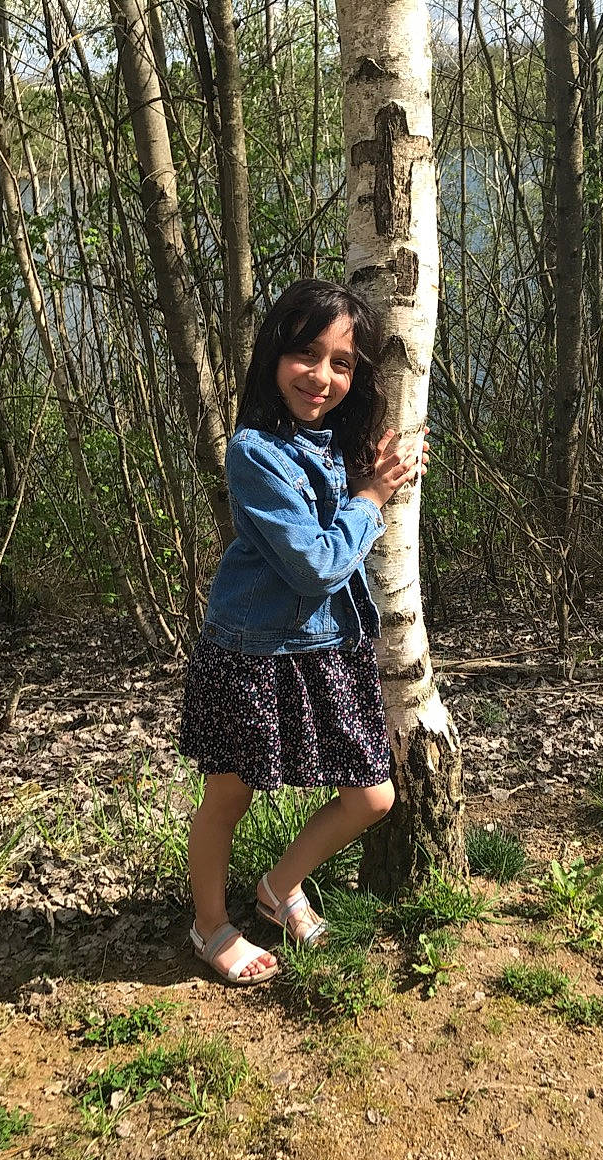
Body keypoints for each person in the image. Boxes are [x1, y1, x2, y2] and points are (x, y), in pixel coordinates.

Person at [179, 279, 428, 984]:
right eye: (306, 355)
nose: (321, 376)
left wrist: (377, 472)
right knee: (229, 797)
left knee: (372, 797)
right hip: (251, 653)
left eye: (342, 363)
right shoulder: (254, 452)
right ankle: (209, 926)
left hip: (328, 650)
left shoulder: (339, 444)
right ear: (273, 357)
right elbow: (316, 565)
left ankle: (277, 885)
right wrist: (372, 495)